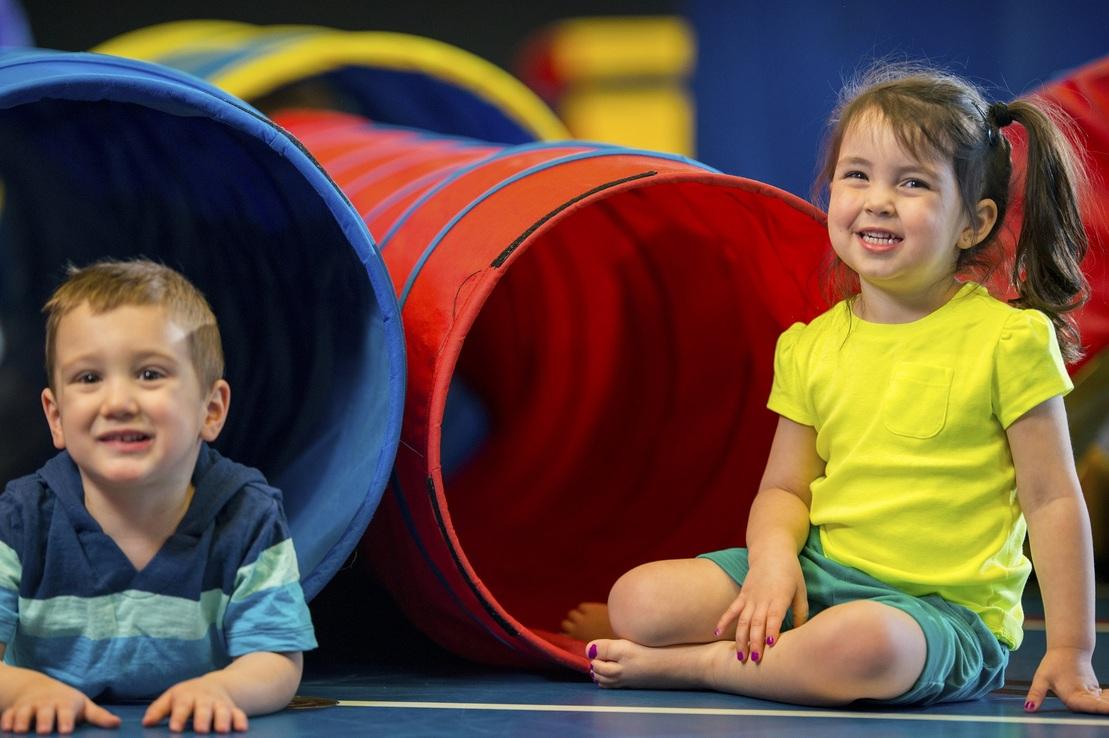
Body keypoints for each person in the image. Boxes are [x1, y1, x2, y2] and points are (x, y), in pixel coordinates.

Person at [566, 63, 1109, 712]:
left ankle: (706, 664)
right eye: (857, 175)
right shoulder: (810, 345)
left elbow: (1050, 500)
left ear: (973, 223)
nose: (877, 199)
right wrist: (771, 564)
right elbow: (784, 488)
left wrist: (1070, 651)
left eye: (912, 183)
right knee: (639, 600)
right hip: (820, 576)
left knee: (862, 646)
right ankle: (756, 648)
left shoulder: (1008, 342)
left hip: (939, 618)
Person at [0, 260, 317, 734]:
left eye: (149, 374)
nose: (119, 402)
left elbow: (276, 658)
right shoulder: (23, 518)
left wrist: (225, 689)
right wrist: (25, 690)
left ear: (211, 410)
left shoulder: (245, 514)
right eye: (89, 378)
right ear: (56, 416)